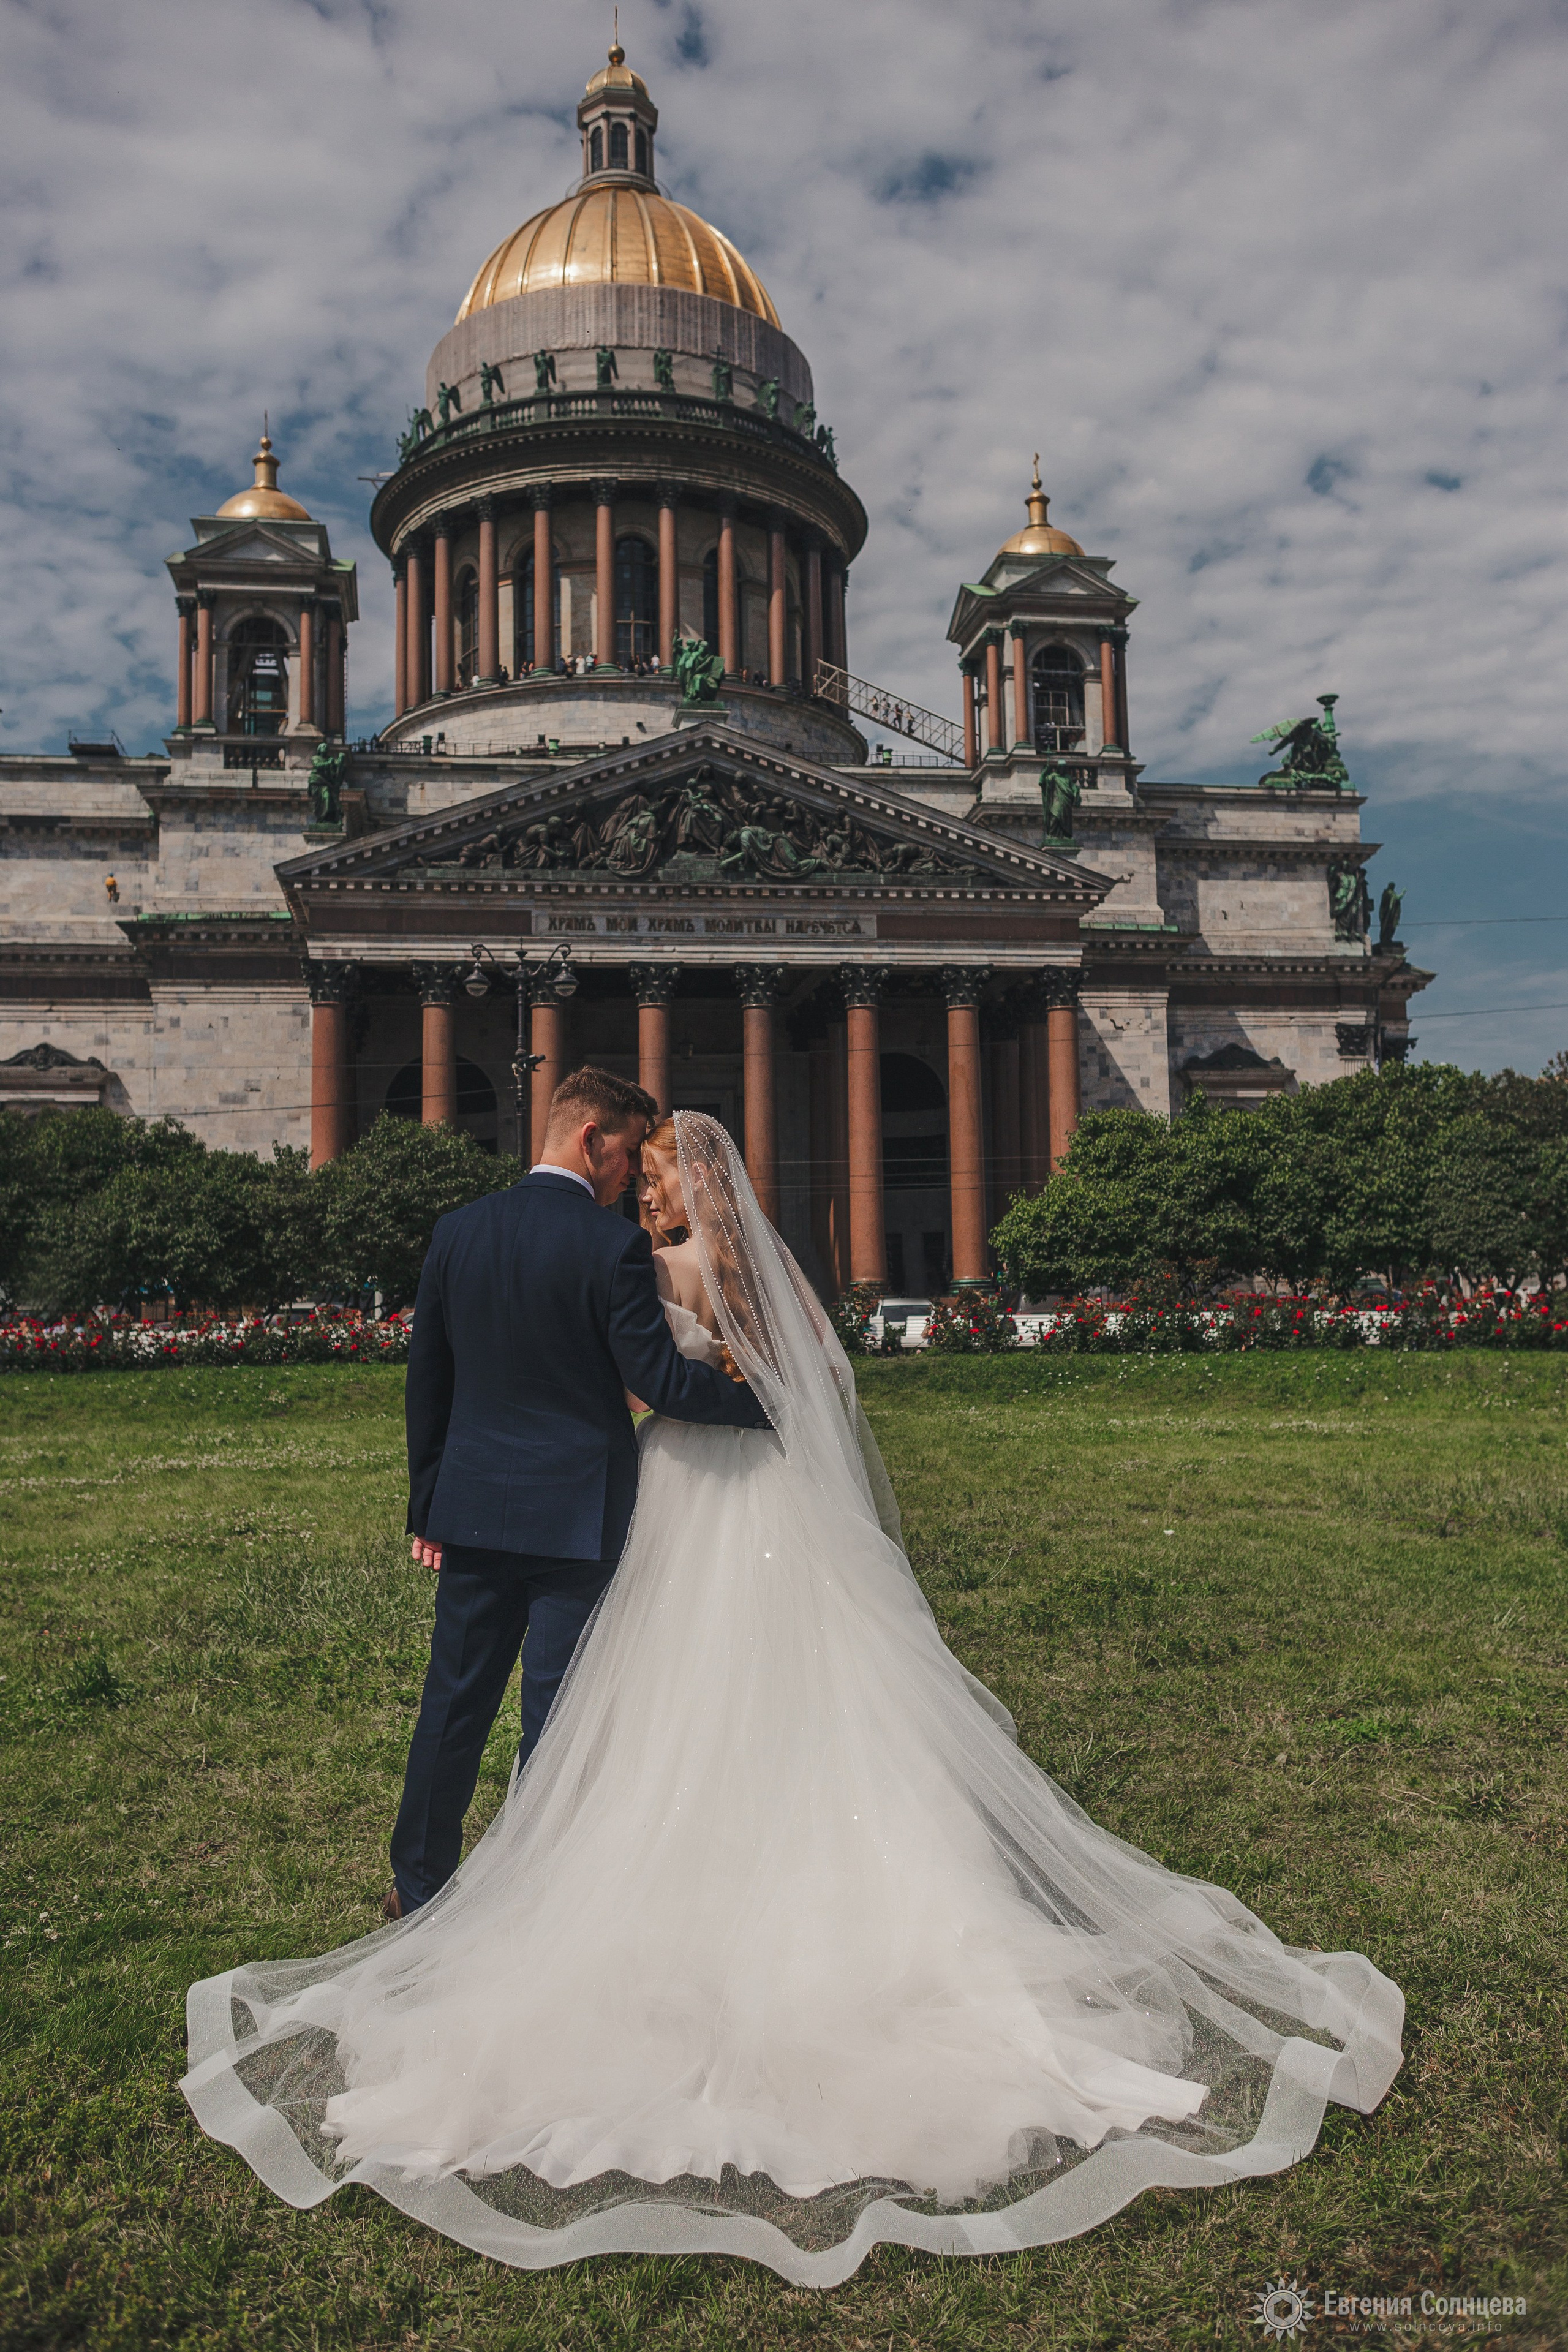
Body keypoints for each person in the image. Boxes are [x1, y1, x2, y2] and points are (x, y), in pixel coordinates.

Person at [182, 1113, 1403, 2288]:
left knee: (635, 1698)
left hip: (663, 1490)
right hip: (758, 1493)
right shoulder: (748, 1261)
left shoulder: (620, 1253)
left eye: (657, 1177)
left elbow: (630, 1367)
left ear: (676, 1178)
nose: (642, 1194)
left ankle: (515, 1875)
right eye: (639, 1171)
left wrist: (586, 1426)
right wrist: (760, 1405)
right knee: (771, 1692)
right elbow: (797, 1363)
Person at [387, 1068, 769, 1920]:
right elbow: (661, 1382)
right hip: (579, 1514)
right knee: (558, 1715)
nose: (636, 1174)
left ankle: (417, 1885)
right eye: (632, 1154)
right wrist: (765, 1409)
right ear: (593, 1139)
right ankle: (540, 1890)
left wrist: (428, 1505)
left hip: (476, 1508)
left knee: (453, 1701)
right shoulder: (611, 1247)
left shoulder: (457, 1231)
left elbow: (429, 1383)